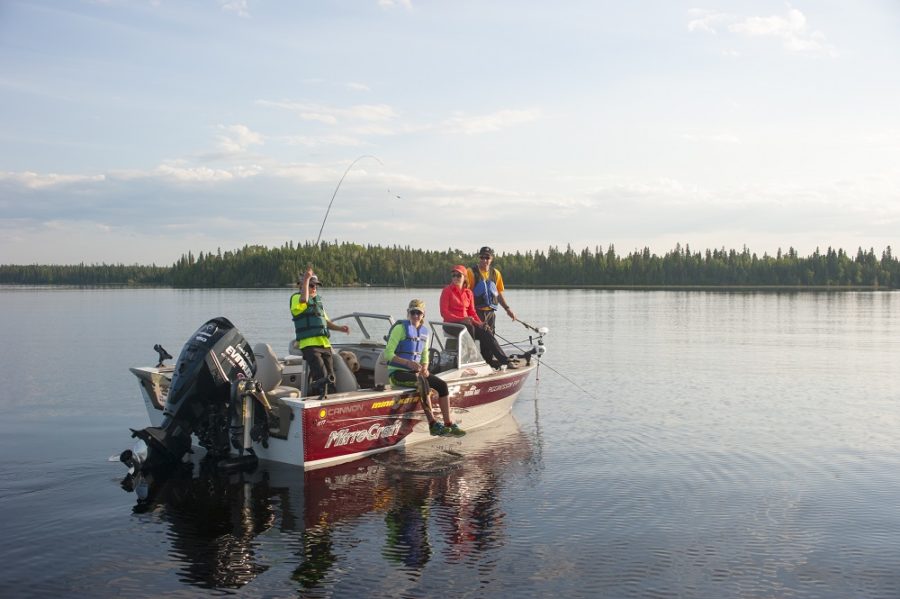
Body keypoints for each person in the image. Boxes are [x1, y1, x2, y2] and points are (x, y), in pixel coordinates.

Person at [385, 299, 465, 437]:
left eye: (419, 313)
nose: (415, 316)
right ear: (408, 313)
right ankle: (433, 424)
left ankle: (448, 424)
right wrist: (407, 363)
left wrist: (425, 367)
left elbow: (425, 356)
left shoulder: (424, 332)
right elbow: (388, 354)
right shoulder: (400, 329)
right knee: (424, 383)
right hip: (398, 373)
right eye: (413, 312)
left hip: (416, 373)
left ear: (423, 315)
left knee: (442, 385)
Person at [440, 264, 514, 369]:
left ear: (464, 277)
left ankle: (504, 361)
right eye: (453, 275)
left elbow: (472, 313)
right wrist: (461, 319)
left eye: (458, 275)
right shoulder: (447, 291)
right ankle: (471, 358)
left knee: (486, 331)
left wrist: (481, 324)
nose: (455, 278)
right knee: (468, 327)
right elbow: (444, 313)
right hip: (450, 324)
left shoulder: (468, 293)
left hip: (466, 323)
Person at [290, 268, 350, 397]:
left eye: (316, 286)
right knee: (321, 376)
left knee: (331, 377)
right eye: (311, 285)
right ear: (301, 285)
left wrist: (340, 328)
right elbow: (303, 300)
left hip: (324, 344)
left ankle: (332, 401)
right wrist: (306, 279)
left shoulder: (318, 302)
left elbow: (326, 322)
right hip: (310, 345)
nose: (314, 288)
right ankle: (318, 397)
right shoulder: (296, 298)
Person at [466, 246, 516, 332]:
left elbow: (498, 294)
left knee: (490, 338)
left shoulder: (496, 273)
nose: (484, 260)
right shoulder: (470, 272)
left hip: (490, 313)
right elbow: (465, 294)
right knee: (478, 338)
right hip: (476, 312)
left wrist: (507, 309)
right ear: (479, 258)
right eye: (482, 257)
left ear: (491, 258)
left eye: (487, 257)